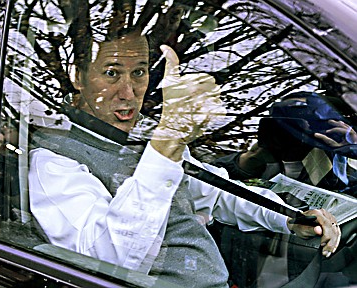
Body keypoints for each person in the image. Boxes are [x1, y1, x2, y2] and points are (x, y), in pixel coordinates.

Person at [28, 29, 341, 287]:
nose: (128, 91)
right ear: (78, 78)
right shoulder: (54, 161)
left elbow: (213, 191)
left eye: (138, 72)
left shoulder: (143, 139)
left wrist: (287, 217)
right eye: (111, 73)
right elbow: (107, 263)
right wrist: (168, 141)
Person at [213, 92, 357, 195]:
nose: (299, 132)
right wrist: (249, 161)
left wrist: (351, 148)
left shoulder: (341, 159)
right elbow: (208, 182)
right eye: (290, 125)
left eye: (313, 123)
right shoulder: (268, 161)